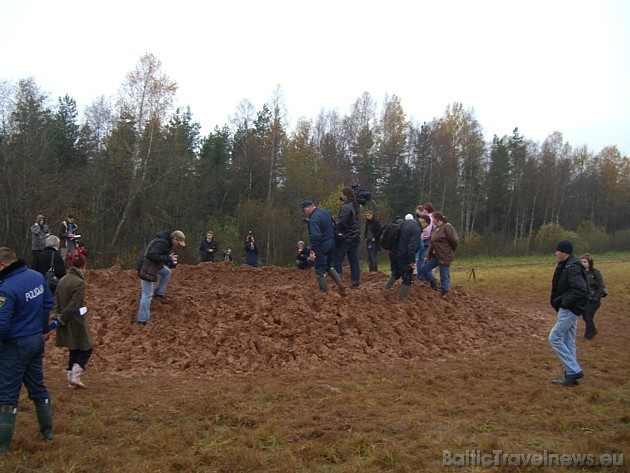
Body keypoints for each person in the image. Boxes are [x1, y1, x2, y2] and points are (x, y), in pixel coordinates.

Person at [0, 247, 55, 453]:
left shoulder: (5, 288)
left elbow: (1, 325)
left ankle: (2, 446)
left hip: (15, 346)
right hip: (35, 341)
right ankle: (47, 432)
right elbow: (48, 302)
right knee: (37, 386)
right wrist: (40, 326)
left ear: (4, 265)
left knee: (6, 395)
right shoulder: (36, 277)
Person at [548, 239, 589, 387]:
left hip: (569, 310)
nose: (556, 253)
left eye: (558, 251)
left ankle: (574, 370)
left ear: (564, 252)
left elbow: (582, 290)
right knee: (568, 342)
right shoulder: (568, 265)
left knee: (554, 338)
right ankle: (570, 376)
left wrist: (565, 302)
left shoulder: (571, 267)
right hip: (570, 309)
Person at [52, 253, 92, 389]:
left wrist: (57, 315)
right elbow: (74, 304)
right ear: (84, 265)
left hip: (65, 319)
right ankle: (75, 373)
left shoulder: (63, 279)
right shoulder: (79, 282)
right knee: (87, 347)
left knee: (73, 348)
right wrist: (64, 317)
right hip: (76, 320)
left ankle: (70, 375)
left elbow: (56, 298)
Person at [136, 230, 186, 326]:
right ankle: (142, 320)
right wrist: (168, 259)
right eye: (178, 242)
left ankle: (159, 293)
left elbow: (159, 256)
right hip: (146, 267)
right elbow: (152, 255)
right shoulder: (163, 243)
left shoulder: (166, 242)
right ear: (175, 239)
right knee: (147, 294)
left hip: (152, 265)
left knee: (166, 272)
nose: (178, 245)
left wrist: (169, 262)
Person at [300, 200, 346, 295]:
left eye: (304, 211)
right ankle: (341, 284)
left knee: (320, 268)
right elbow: (332, 225)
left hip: (322, 246)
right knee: (329, 266)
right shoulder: (324, 212)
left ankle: (324, 293)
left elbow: (316, 236)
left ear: (307, 208)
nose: (305, 214)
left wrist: (313, 251)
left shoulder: (314, 219)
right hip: (332, 242)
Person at [418, 211, 458, 295]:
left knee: (444, 274)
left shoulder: (447, 227)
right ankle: (433, 282)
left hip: (444, 255)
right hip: (435, 255)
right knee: (424, 268)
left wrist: (450, 250)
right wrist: (427, 256)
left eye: (433, 219)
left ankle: (445, 291)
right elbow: (432, 244)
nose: (432, 221)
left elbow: (454, 240)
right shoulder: (435, 229)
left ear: (437, 219)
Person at [384, 214, 422, 301]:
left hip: (395, 253)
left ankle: (385, 289)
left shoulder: (404, 224)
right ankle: (402, 299)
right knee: (407, 277)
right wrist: (412, 262)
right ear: (425, 223)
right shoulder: (416, 229)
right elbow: (412, 247)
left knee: (396, 272)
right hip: (403, 256)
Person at [333, 187, 361, 288]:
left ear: (345, 195)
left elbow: (342, 222)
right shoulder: (355, 206)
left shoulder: (346, 207)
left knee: (337, 258)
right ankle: (355, 282)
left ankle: (338, 281)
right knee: (354, 260)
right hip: (355, 237)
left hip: (346, 238)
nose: (341, 196)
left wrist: (334, 228)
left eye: (341, 194)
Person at [580, 253, 606, 340]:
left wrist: (596, 298)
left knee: (588, 315)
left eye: (585, 261)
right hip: (585, 299)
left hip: (594, 299)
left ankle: (589, 335)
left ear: (590, 263)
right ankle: (593, 330)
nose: (583, 263)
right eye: (582, 261)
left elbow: (600, 287)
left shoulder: (596, 273)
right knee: (585, 315)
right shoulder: (581, 273)